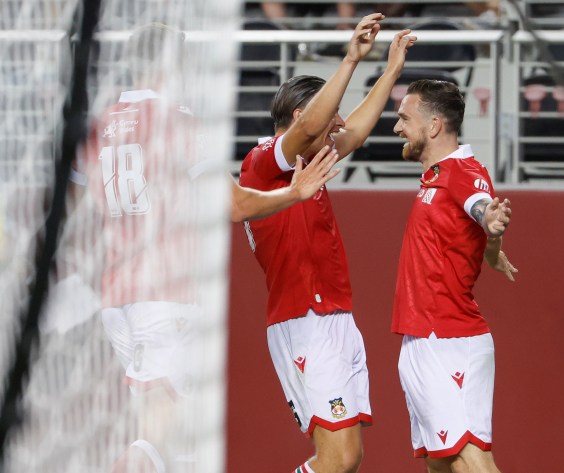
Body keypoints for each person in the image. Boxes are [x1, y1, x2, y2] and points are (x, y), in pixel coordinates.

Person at [68, 22, 340, 473]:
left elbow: (79, 211)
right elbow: (234, 205)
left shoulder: (101, 125)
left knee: (181, 442)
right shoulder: (180, 120)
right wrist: (295, 192)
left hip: (116, 300)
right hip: (166, 297)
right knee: (153, 440)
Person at [238, 13, 415, 473]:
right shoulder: (263, 164)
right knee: (336, 459)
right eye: (327, 113)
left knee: (347, 458)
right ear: (301, 117)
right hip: (304, 320)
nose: (337, 122)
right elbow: (319, 126)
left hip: (333, 317)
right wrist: (351, 59)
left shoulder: (310, 157)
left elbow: (354, 129)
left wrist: (391, 67)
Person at [390, 79, 517, 472]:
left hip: (449, 339)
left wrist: (489, 220)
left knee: (470, 461)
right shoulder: (436, 174)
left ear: (433, 126)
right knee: (440, 463)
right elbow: (477, 223)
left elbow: (480, 205)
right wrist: (492, 249)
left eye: (404, 118)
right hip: (423, 337)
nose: (397, 128)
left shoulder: (463, 170)